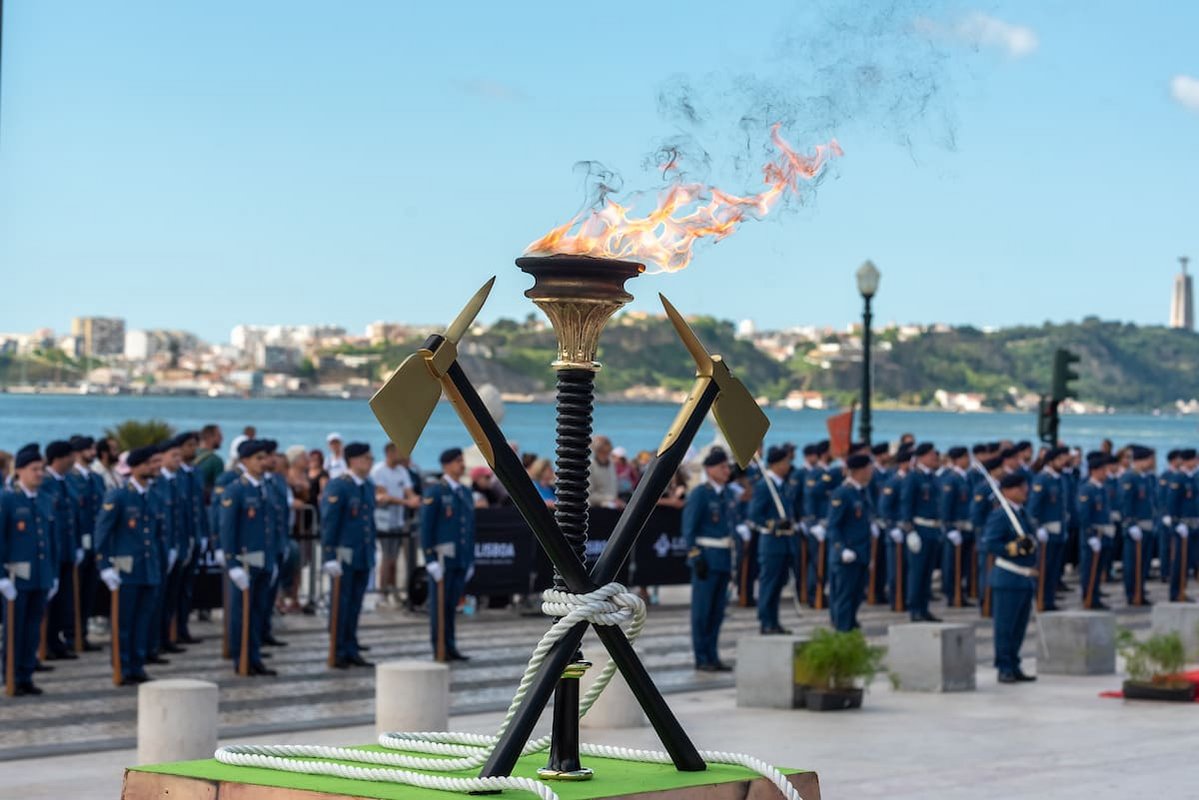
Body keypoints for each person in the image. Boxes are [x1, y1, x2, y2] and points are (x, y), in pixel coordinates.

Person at [94, 444, 165, 686]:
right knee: (124, 622)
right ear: (134, 468)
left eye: (154, 463)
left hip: (148, 569)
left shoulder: (154, 495)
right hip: (125, 569)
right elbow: (102, 534)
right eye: (147, 464)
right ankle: (122, 666)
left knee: (143, 621)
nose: (152, 468)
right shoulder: (119, 495)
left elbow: (156, 534)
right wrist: (105, 566)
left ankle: (137, 665)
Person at [0, 445, 58, 695]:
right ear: (19, 471)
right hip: (15, 577)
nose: (39, 474)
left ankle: (26, 674)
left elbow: (51, 540)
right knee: (15, 629)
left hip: (40, 575)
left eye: (41, 469)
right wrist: (1, 578)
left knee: (33, 628)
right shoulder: (7, 500)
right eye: (34, 469)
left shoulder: (45, 499)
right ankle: (10, 675)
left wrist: (52, 574)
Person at [218, 439, 278, 676]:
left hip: (263, 561)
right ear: (245, 461)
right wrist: (231, 563)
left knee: (258, 611)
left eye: (265, 458)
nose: (263, 463)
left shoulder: (266, 488)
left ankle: (255, 657)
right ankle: (240, 657)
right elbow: (228, 529)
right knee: (240, 613)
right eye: (258, 459)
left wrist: (272, 561)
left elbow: (270, 528)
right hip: (244, 562)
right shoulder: (236, 490)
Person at [683, 447, 742, 671]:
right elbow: (689, 529)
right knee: (702, 611)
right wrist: (695, 556)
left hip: (724, 558)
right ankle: (701, 657)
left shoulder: (727, 494)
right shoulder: (700, 493)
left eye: (728, 467)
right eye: (722, 467)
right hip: (707, 559)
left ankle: (713, 654)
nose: (727, 471)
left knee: (717, 612)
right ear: (710, 469)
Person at [321, 442, 378, 668]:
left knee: (355, 605)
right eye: (366, 458)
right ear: (353, 460)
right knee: (341, 605)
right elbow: (330, 523)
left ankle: (351, 646)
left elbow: (367, 523)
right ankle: (337, 649)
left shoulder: (367, 486)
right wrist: (329, 556)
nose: (370, 462)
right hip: (343, 556)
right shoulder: (339, 486)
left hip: (362, 554)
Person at [982, 472, 1038, 684]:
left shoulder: (1021, 513)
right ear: (1008, 491)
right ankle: (1004, 666)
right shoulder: (1000, 515)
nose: (1025, 491)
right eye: (1020, 488)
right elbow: (990, 544)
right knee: (1005, 627)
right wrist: (1013, 548)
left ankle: (1014, 664)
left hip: (1024, 578)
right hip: (1008, 576)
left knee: (1019, 627)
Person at [420, 448, 476, 661]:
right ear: (446, 465)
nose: (461, 465)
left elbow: (469, 528)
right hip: (442, 560)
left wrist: (469, 559)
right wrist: (429, 559)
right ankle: (440, 647)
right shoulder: (435, 492)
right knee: (439, 607)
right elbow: (426, 528)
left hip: (459, 558)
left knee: (452, 605)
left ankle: (451, 645)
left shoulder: (464, 491)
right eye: (457, 461)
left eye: (462, 461)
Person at [749, 446, 797, 635]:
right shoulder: (764, 485)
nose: (788, 465)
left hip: (784, 543)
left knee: (778, 584)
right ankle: (766, 621)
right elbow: (755, 515)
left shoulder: (782, 485)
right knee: (769, 583)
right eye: (785, 462)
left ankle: (774, 620)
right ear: (776, 464)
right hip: (771, 542)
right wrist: (775, 524)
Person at [826, 453, 874, 631]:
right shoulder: (843, 493)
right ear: (859, 471)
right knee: (844, 598)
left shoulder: (860, 491)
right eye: (869, 469)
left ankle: (850, 627)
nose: (871, 472)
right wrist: (841, 549)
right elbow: (833, 526)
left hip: (861, 553)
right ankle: (842, 633)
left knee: (856, 596)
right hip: (847, 555)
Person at [148, 438, 186, 661]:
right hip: (159, 549)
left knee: (170, 597)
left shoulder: (177, 481)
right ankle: (153, 643)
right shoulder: (157, 482)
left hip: (175, 546)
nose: (178, 460)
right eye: (175, 456)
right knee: (156, 600)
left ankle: (164, 638)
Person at [67, 436, 105, 652]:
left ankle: (82, 634)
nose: (93, 452)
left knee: (89, 592)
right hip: (78, 544)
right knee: (74, 593)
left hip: (94, 544)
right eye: (89, 449)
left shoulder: (96, 479)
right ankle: (72, 634)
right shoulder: (72, 479)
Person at [42, 440, 79, 660]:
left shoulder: (68, 482)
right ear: (58, 458)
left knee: (63, 600)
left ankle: (56, 641)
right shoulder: (46, 483)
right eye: (69, 456)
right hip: (51, 551)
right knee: (48, 600)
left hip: (68, 549)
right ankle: (43, 643)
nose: (73, 460)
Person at [371, 442, 420, 608]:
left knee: (395, 558)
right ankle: (381, 593)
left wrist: (413, 499)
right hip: (383, 522)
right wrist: (407, 502)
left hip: (399, 521)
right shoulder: (378, 471)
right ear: (389, 453)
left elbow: (409, 491)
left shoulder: (402, 471)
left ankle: (393, 590)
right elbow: (383, 495)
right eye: (399, 452)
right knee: (386, 558)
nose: (402, 456)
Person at [899, 442, 942, 622]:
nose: (935, 459)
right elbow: (906, 504)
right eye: (932, 455)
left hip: (932, 530)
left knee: (927, 573)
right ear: (922, 457)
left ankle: (924, 607)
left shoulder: (932, 477)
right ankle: (915, 608)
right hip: (919, 529)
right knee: (917, 572)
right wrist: (909, 531)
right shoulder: (913, 477)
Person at [1028, 446, 1070, 612]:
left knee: (1054, 570)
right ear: (1051, 461)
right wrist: (1037, 528)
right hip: (1046, 533)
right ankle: (1040, 599)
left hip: (1058, 532)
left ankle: (1049, 599)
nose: (1063, 462)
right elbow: (1033, 509)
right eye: (1060, 459)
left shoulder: (1059, 479)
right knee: (1043, 568)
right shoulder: (1042, 479)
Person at [174, 431, 206, 643]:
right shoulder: (175, 476)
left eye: (195, 445)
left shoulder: (196, 472)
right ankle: (171, 630)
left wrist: (203, 534)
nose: (193, 450)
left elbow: (199, 506)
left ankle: (182, 627)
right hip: (181, 537)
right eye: (189, 446)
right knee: (174, 588)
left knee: (187, 588)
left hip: (194, 535)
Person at [1078, 452, 1115, 609]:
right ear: (1094, 471)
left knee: (1099, 567)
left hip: (1104, 535)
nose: (1105, 473)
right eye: (1103, 470)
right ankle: (1089, 596)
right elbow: (1084, 516)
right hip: (1093, 536)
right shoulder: (1087, 489)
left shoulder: (1102, 489)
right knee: (1089, 568)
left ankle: (1095, 594)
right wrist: (1090, 536)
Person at [1120, 445, 1156, 606]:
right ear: (1141, 461)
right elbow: (1126, 503)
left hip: (1146, 527)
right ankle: (1131, 593)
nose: (1152, 462)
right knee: (1132, 563)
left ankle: (1139, 592)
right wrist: (1130, 524)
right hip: (1135, 527)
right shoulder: (1129, 477)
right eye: (1149, 459)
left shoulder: (1145, 477)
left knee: (1143, 564)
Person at [938, 447, 972, 608]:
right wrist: (949, 529)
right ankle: (952, 594)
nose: (969, 460)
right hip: (954, 528)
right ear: (957, 460)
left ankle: (961, 594)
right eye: (965, 457)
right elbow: (945, 507)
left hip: (965, 528)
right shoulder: (951, 479)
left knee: (963, 566)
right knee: (951, 565)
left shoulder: (965, 478)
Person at [1163, 448, 1198, 602]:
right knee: (1179, 562)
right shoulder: (1178, 478)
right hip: (1183, 526)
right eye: (1194, 459)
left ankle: (1184, 590)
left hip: (1195, 525)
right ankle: (1176, 592)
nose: (1196, 462)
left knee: (1193, 560)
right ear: (1186, 461)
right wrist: (1176, 523)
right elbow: (1171, 503)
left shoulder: (1194, 477)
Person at [588, 436, 623, 509]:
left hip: (613, 505)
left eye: (608, 452)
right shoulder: (590, 466)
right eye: (603, 452)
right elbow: (589, 494)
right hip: (597, 508)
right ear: (597, 452)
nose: (606, 455)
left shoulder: (611, 464)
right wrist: (610, 499)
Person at [194, 425, 225, 501]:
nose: (222, 438)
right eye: (219, 435)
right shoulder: (216, 460)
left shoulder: (191, 456)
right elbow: (219, 489)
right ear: (210, 437)